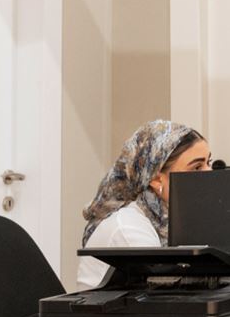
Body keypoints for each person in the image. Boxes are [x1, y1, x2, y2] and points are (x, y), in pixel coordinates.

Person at [76, 120, 212, 287]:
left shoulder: (176, 220)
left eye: (209, 163)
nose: (210, 174)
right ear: (156, 179)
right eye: (197, 167)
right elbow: (165, 295)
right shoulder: (128, 229)